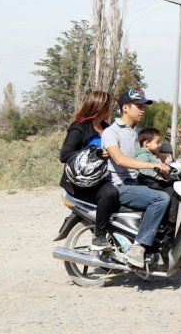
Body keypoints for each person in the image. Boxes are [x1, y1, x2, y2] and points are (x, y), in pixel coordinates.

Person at [102, 89, 170, 268]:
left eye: (143, 106)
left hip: (139, 181)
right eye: (139, 106)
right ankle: (138, 248)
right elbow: (119, 160)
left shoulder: (139, 133)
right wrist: (152, 165)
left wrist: (168, 161)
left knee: (173, 192)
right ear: (125, 108)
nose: (142, 110)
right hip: (122, 184)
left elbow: (154, 154)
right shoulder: (111, 132)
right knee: (160, 198)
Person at [59, 91, 120, 251]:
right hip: (82, 183)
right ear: (99, 107)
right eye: (108, 107)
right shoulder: (79, 129)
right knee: (110, 193)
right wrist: (96, 154)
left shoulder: (107, 128)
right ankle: (98, 236)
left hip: (102, 177)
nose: (110, 110)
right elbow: (65, 155)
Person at [134, 128, 179, 224]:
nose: (159, 144)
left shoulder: (152, 154)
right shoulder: (143, 153)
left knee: (175, 184)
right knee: (172, 191)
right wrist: (158, 177)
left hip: (152, 180)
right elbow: (143, 169)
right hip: (147, 180)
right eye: (157, 142)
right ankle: (171, 221)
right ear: (147, 143)